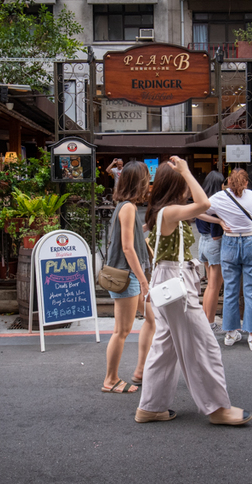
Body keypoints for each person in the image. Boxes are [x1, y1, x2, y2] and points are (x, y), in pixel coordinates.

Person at [134, 156, 252, 425]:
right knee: (203, 344)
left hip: (167, 280)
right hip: (175, 281)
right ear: (177, 185)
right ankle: (217, 408)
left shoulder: (164, 210)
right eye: (184, 184)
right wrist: (187, 171)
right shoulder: (170, 212)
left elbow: (199, 209)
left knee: (166, 346)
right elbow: (204, 203)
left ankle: (151, 407)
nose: (188, 188)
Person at [101, 161, 155, 394]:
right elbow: (127, 248)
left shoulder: (125, 206)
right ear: (139, 182)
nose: (149, 182)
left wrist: (146, 229)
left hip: (130, 275)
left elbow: (130, 236)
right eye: (146, 178)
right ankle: (110, 379)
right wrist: (143, 281)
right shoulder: (128, 208)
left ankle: (142, 370)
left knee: (153, 320)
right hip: (128, 276)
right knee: (121, 331)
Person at [207, 168, 252, 352]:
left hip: (230, 242)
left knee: (230, 290)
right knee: (251, 291)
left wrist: (218, 221)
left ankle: (230, 333)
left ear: (228, 182)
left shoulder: (219, 197)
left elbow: (198, 210)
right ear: (246, 182)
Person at [194, 171, 228, 333]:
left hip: (203, 242)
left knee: (210, 285)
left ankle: (206, 321)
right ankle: (210, 322)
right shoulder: (217, 201)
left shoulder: (201, 199)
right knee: (215, 285)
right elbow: (216, 235)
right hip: (214, 244)